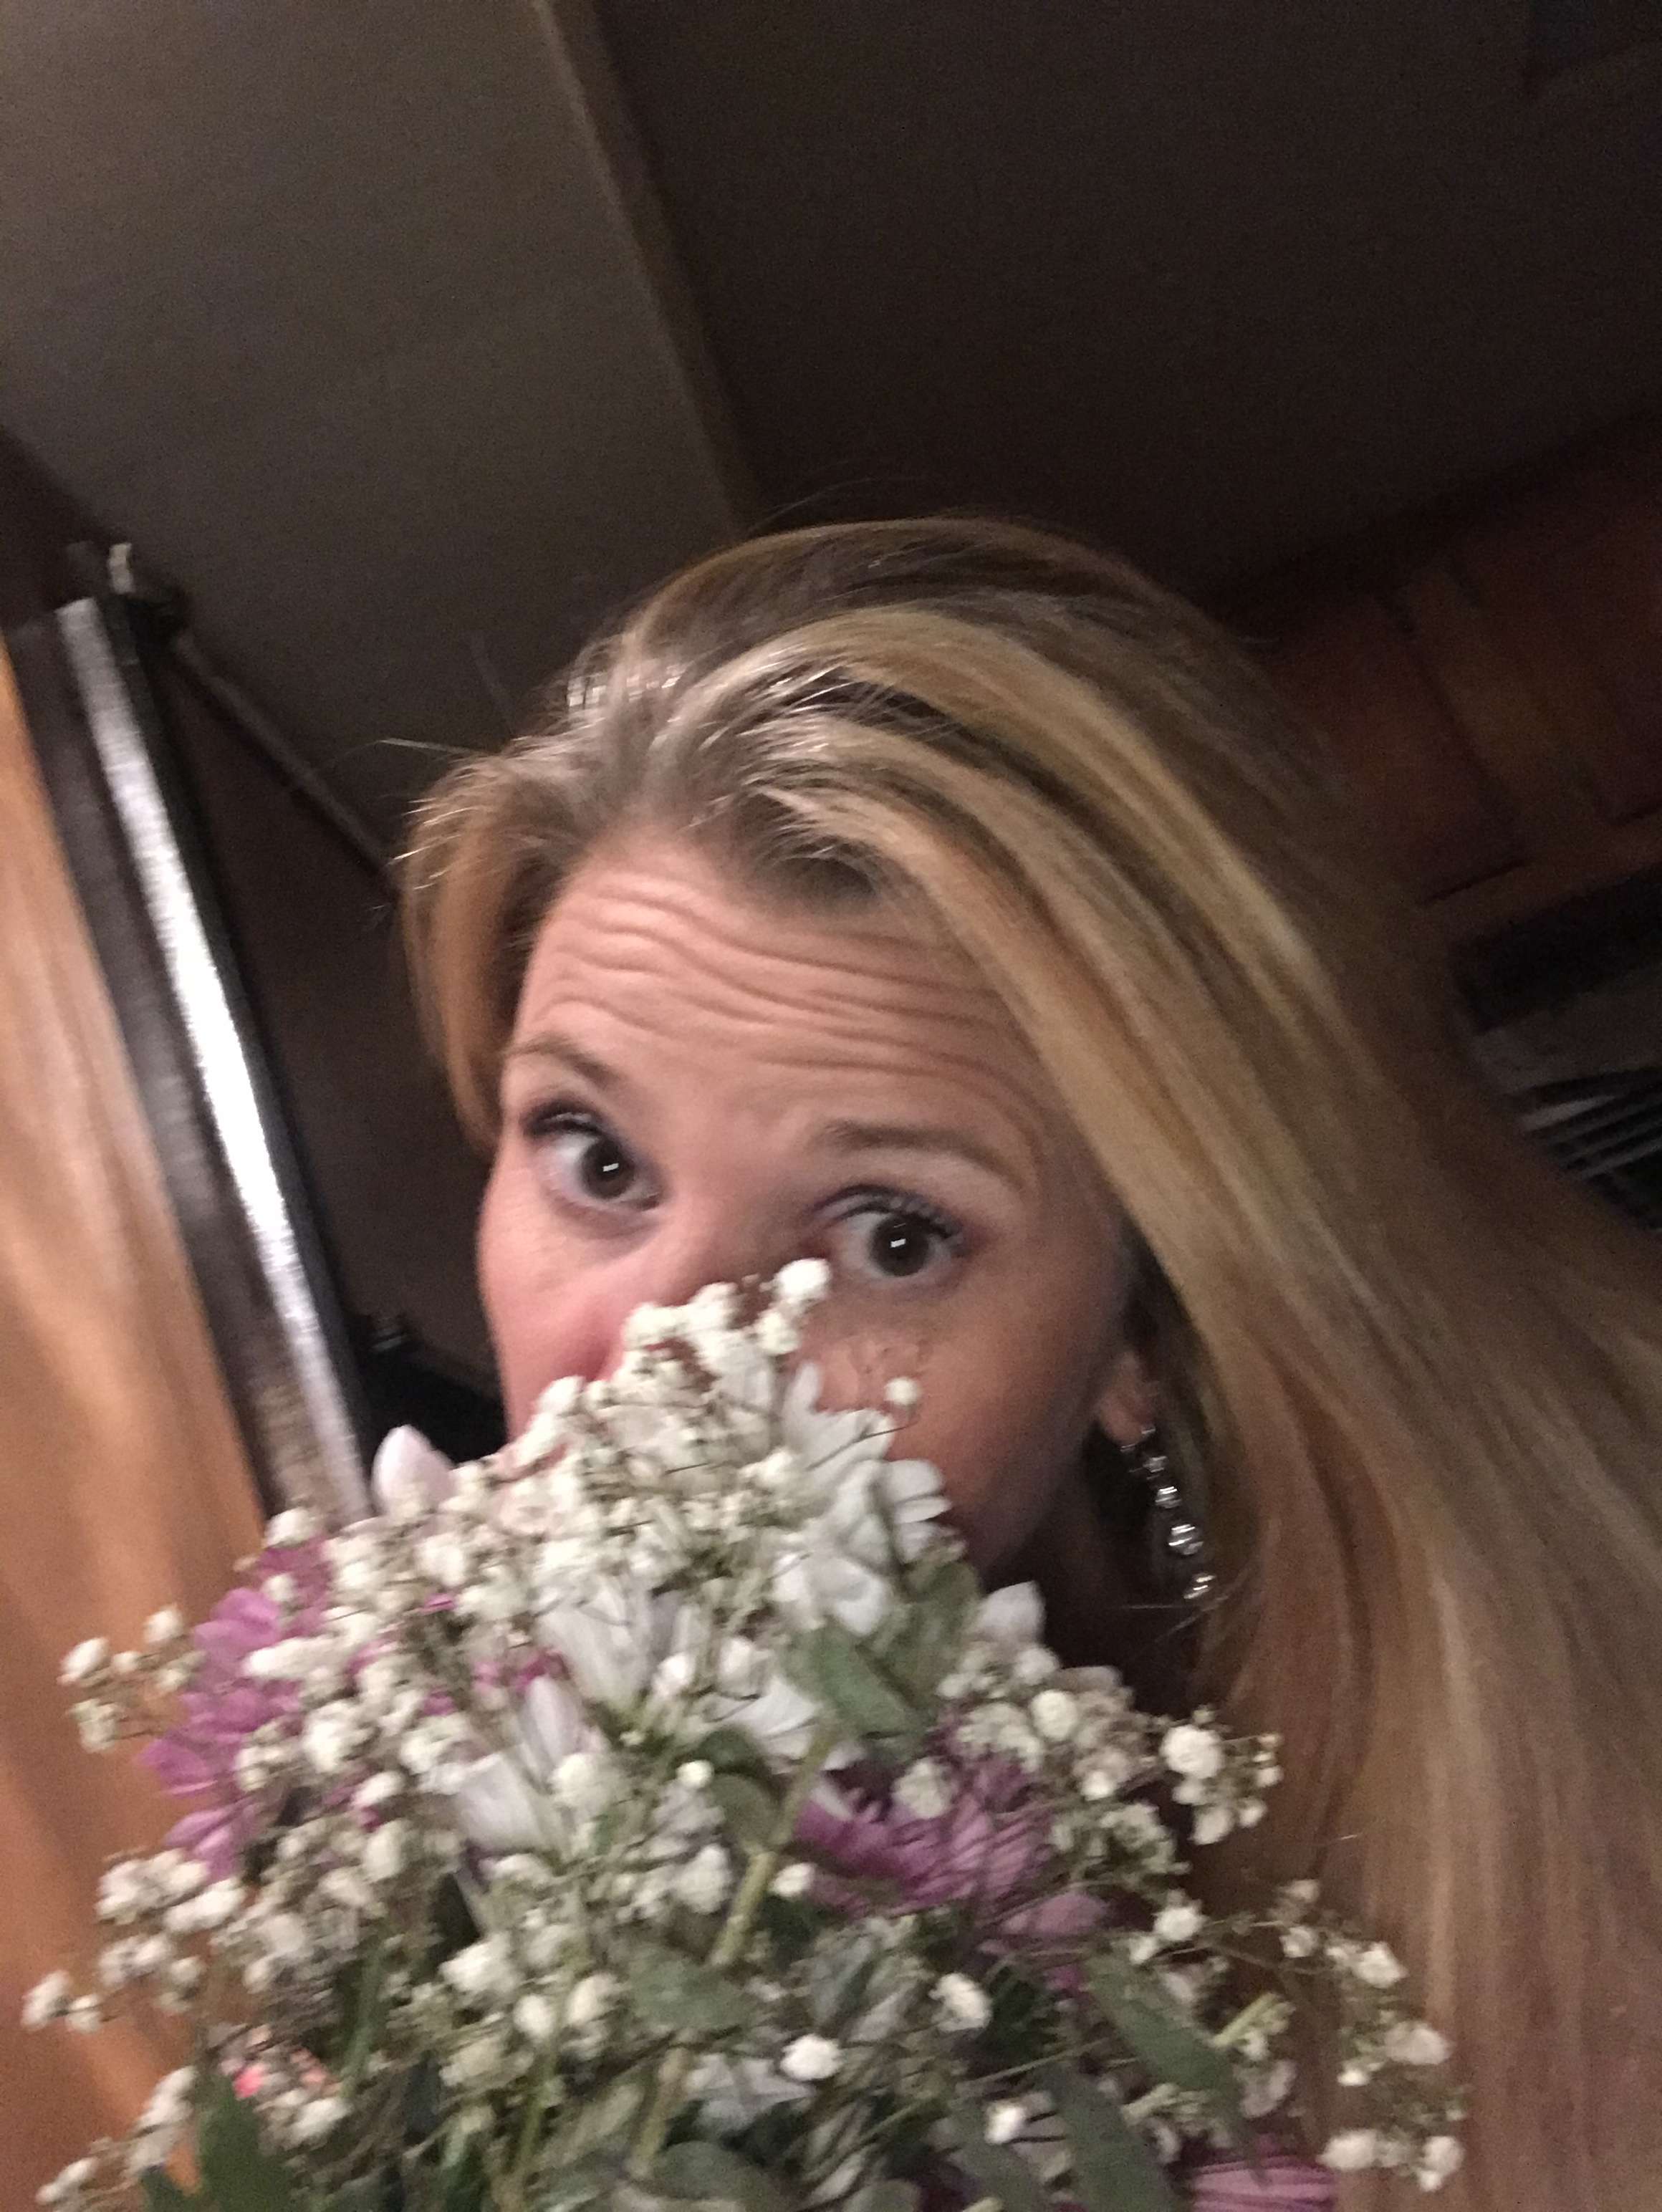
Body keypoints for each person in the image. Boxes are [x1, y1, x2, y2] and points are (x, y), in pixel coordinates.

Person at [400, 518, 1662, 2208]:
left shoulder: (1558, 1901)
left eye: (890, 1234)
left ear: (1149, 1330)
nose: (658, 1370)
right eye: (596, 1156)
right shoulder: (434, 1859)